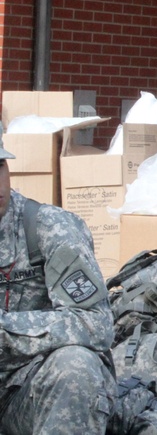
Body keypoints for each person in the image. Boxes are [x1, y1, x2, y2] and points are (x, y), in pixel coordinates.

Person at [0, 128, 116, 434]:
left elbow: (95, 324)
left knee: (75, 365)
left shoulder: (50, 229)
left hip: (28, 390)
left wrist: (6, 330)